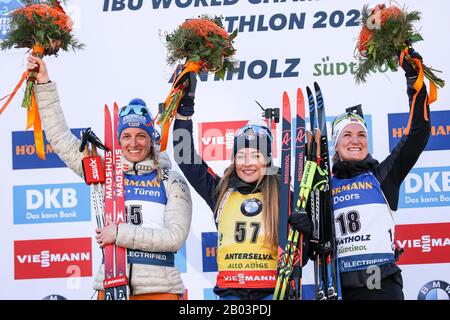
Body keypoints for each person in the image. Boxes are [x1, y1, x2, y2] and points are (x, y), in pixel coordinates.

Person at [27, 55, 192, 300]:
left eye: (141, 136)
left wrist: (120, 233)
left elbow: (174, 237)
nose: (134, 144)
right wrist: (43, 84)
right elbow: (61, 139)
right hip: (112, 286)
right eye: (126, 136)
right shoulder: (107, 173)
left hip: (160, 289)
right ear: (118, 140)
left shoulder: (171, 180)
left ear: (151, 138)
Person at [172, 73, 311, 300]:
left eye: (255, 155)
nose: (247, 163)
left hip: (272, 292)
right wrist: (185, 109)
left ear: (267, 160)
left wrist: (306, 231)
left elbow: (300, 258)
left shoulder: (283, 193)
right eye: (241, 156)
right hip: (230, 293)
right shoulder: (221, 190)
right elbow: (183, 155)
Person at [330, 49, 431, 300]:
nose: (355, 141)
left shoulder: (382, 175)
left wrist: (412, 78)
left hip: (381, 286)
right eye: (347, 135)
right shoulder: (323, 187)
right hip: (341, 289)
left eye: (361, 135)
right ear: (336, 144)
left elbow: (417, 133)